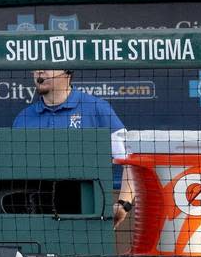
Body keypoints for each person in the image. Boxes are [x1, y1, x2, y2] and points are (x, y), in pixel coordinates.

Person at [12, 70, 134, 227]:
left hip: (87, 219)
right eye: (35, 66)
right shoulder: (24, 118)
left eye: (47, 65)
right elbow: (14, 174)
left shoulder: (97, 109)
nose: (39, 71)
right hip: (35, 219)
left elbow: (132, 160)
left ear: (67, 71)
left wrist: (124, 204)